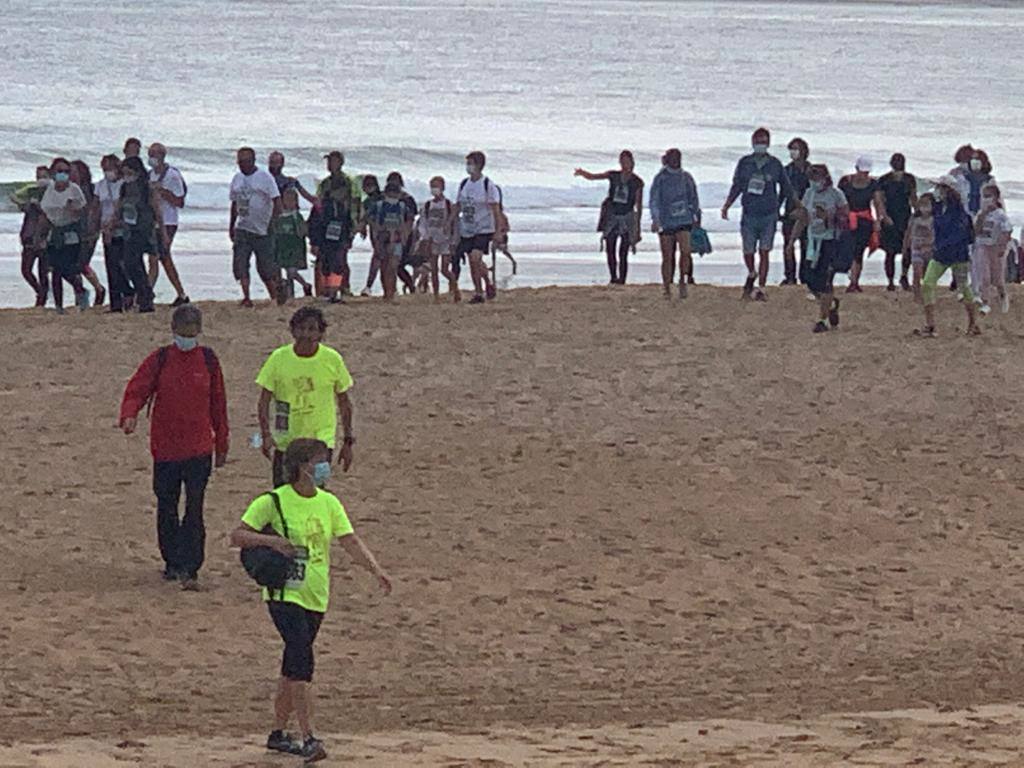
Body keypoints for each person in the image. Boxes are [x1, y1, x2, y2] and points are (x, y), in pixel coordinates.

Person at [230, 438, 391, 763]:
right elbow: (238, 535)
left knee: (292, 664)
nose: (324, 468)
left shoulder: (329, 503)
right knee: (302, 661)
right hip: (284, 593)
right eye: (319, 462)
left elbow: (349, 540)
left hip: (316, 594)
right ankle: (309, 737)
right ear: (303, 466)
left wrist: (376, 570)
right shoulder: (274, 500)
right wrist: (273, 543)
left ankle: (277, 733)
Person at [119, 305, 229, 590]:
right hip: (166, 449)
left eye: (191, 333)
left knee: (194, 508)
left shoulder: (208, 360)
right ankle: (172, 561)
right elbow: (138, 389)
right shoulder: (161, 358)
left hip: (199, 449)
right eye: (182, 332)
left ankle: (191, 566)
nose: (187, 338)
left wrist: (222, 443)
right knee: (167, 506)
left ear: (199, 331)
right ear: (173, 329)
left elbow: (218, 404)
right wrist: (129, 415)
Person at [256, 307, 355, 488]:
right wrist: (266, 435)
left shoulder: (332, 359)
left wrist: (348, 441)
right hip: (286, 442)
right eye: (301, 329)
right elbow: (264, 401)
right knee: (283, 493)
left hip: (321, 442)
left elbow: (344, 402)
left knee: (316, 493)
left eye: (311, 329)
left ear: (321, 333)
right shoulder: (278, 358)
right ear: (292, 331)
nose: (306, 335)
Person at [721, 127, 797, 301]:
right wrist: (727, 205)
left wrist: (789, 207)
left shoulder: (775, 164)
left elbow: (786, 188)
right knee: (748, 250)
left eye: (763, 142)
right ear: (752, 142)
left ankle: (762, 286)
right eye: (758, 141)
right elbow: (737, 186)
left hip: (768, 214)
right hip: (749, 213)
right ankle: (751, 272)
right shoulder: (745, 163)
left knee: (764, 251)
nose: (760, 144)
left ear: (768, 143)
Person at [786, 164, 848, 333]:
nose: (814, 182)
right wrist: (791, 241)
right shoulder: (809, 194)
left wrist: (829, 217)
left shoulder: (836, 195)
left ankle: (822, 320)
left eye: (817, 178)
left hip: (830, 241)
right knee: (808, 278)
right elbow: (803, 219)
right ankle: (830, 304)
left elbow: (845, 218)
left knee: (825, 280)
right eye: (811, 178)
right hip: (812, 241)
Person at [917, 176, 979, 337]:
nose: (938, 190)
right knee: (928, 284)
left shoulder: (960, 213)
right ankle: (930, 325)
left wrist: (936, 245)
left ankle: (973, 323)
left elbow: (961, 236)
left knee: (963, 287)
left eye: (941, 188)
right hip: (941, 254)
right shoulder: (938, 208)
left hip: (958, 254)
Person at [574, 150, 644, 285]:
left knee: (623, 252)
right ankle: (613, 277)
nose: (625, 164)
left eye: (627, 161)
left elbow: (638, 205)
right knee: (610, 248)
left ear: (632, 162)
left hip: (627, 218)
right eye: (622, 161)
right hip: (612, 216)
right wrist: (583, 173)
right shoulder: (613, 175)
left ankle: (622, 280)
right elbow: (594, 177)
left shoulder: (637, 182)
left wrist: (637, 227)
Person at [230, 147, 282, 306]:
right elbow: (234, 203)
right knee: (240, 263)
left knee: (265, 268)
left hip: (262, 229)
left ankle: (274, 296)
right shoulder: (237, 179)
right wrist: (231, 225)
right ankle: (246, 297)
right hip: (242, 227)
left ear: (253, 161)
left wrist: (272, 223)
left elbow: (277, 201)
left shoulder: (264, 177)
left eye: (245, 161)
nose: (242, 165)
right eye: (240, 162)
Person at [38, 157, 89, 313]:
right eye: (60, 171)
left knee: (68, 269)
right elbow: (45, 213)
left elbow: (82, 210)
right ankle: (59, 306)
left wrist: (73, 208)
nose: (63, 174)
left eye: (66, 171)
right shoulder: (50, 190)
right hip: (55, 233)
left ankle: (80, 290)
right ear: (53, 172)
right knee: (55, 270)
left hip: (71, 233)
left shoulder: (74, 189)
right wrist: (41, 235)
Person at [453, 151, 504, 304]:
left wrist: (498, 231)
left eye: (470, 163)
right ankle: (482, 287)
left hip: (484, 228)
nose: (468, 166)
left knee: (476, 257)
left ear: (479, 165)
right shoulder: (464, 184)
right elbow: (458, 206)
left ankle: (480, 291)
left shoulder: (488, 185)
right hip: (467, 227)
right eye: (467, 163)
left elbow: (496, 210)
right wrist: (450, 222)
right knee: (473, 260)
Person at [111, 156, 161, 313]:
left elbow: (157, 209)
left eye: (129, 172)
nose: (127, 176)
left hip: (143, 230)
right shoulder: (124, 188)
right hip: (129, 230)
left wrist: (162, 231)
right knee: (130, 264)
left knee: (133, 262)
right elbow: (119, 207)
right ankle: (144, 294)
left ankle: (145, 297)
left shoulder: (146, 188)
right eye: (124, 173)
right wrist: (112, 223)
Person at [648, 148, 700, 299]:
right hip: (666, 221)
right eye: (673, 158)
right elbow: (654, 200)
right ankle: (666, 286)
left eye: (678, 158)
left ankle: (682, 280)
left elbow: (693, 198)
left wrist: (696, 215)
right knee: (667, 256)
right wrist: (655, 219)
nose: (676, 161)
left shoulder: (686, 177)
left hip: (684, 220)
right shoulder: (660, 178)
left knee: (685, 251)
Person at [313, 151, 362, 301]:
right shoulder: (325, 183)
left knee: (340, 257)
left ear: (340, 163)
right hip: (326, 224)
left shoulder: (348, 182)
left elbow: (356, 203)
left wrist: (356, 225)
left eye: (333, 161)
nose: (330, 165)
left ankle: (343, 288)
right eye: (329, 162)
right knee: (326, 257)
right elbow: (319, 204)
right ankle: (330, 290)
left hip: (343, 223)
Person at [147, 143, 191, 306]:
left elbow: (179, 201)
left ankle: (146, 293)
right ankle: (180, 293)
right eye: (150, 154)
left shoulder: (172, 175)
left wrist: (162, 191)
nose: (151, 158)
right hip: (152, 221)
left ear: (162, 156)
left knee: (157, 256)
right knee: (162, 258)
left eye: (154, 154)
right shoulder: (149, 175)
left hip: (168, 221)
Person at [838, 157, 887, 293]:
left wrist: (878, 221)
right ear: (856, 169)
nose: (864, 175)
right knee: (847, 250)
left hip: (865, 221)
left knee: (859, 251)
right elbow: (838, 200)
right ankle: (851, 277)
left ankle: (854, 282)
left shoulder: (873, 184)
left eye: (866, 172)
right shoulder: (845, 182)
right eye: (862, 171)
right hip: (847, 220)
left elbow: (878, 203)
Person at [96, 154, 133, 312]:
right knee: (111, 266)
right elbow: (97, 207)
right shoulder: (100, 185)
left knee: (122, 265)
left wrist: (113, 224)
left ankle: (129, 293)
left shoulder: (124, 185)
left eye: (110, 168)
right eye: (104, 168)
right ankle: (115, 303)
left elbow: (123, 207)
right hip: (106, 227)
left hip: (121, 227)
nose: (107, 172)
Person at [10, 166, 50, 306]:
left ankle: (42, 299)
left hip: (44, 237)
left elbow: (53, 214)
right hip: (29, 235)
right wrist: (24, 201)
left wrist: (39, 206)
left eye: (44, 176)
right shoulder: (32, 191)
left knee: (43, 272)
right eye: (38, 177)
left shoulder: (52, 193)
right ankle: (40, 291)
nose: (41, 179)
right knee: (26, 270)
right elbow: (15, 198)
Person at [878, 153, 918, 291]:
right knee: (890, 251)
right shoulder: (884, 180)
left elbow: (913, 198)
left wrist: (917, 214)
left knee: (907, 249)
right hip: (891, 216)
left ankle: (903, 276)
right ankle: (890, 281)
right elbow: (880, 200)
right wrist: (884, 216)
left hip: (905, 216)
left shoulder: (909, 179)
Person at [70, 160, 106, 306]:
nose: (71, 175)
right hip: (74, 230)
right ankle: (82, 293)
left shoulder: (90, 189)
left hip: (89, 232)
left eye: (74, 171)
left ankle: (97, 289)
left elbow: (96, 209)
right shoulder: (70, 189)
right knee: (74, 264)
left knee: (81, 263)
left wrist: (95, 229)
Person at [973, 181, 1013, 315]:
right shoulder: (981, 213)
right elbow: (976, 231)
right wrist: (982, 215)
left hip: (996, 249)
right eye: (984, 196)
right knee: (984, 276)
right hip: (982, 246)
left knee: (998, 279)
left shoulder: (1000, 215)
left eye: (988, 196)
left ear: (996, 198)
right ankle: (985, 302)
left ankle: (1003, 295)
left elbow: (1007, 231)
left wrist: (1002, 247)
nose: (985, 199)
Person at [418, 177, 459, 301]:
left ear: (443, 188)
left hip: (446, 240)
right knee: (434, 269)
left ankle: (455, 289)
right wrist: (425, 238)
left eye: (436, 186)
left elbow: (455, 224)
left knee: (445, 269)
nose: (434, 189)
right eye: (432, 186)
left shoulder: (448, 204)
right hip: (432, 240)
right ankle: (436, 295)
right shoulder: (427, 205)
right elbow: (423, 223)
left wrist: (454, 241)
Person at [274, 188, 314, 301]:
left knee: (292, 272)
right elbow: (275, 230)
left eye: (292, 200)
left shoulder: (297, 216)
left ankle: (305, 285)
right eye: (287, 200)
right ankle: (289, 295)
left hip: (294, 248)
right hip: (282, 247)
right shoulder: (279, 216)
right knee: (283, 271)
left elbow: (303, 231)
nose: (289, 202)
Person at [781, 137, 811, 286]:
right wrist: (777, 210)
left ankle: (805, 276)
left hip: (807, 213)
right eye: (791, 149)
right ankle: (790, 277)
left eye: (796, 149)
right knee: (788, 245)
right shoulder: (786, 170)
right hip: (790, 212)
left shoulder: (811, 170)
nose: (793, 152)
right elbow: (782, 193)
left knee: (806, 246)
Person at [902, 193, 935, 302]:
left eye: (927, 204)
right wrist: (905, 246)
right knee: (917, 272)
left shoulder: (934, 219)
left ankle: (927, 294)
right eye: (922, 203)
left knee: (927, 275)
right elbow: (908, 232)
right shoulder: (914, 218)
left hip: (930, 249)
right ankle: (917, 295)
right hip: (916, 248)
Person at [357, 175, 384, 297]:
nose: (367, 188)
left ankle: (370, 286)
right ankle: (372, 286)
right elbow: (364, 217)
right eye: (365, 185)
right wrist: (363, 228)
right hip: (375, 231)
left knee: (379, 258)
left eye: (369, 185)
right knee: (379, 257)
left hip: (383, 231)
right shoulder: (367, 201)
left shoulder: (382, 198)